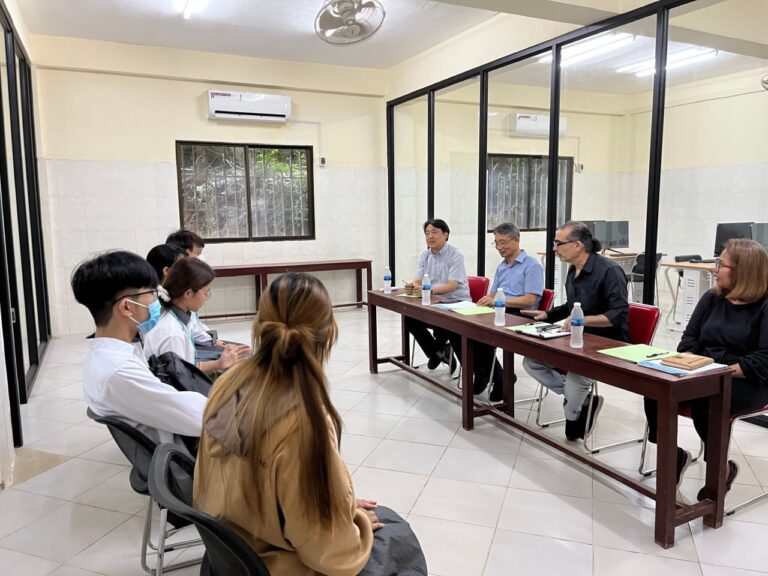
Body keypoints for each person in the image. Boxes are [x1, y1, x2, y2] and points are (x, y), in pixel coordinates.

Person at [194, 273, 427, 576]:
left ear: (259, 324)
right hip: (277, 563)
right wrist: (348, 520)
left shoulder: (226, 385)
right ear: (329, 332)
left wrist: (332, 503)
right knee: (396, 532)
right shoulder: (302, 423)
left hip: (233, 552)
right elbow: (329, 556)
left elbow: (261, 485)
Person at [644, 238, 768, 495]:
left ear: (743, 271)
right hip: (703, 369)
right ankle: (673, 454)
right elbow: (688, 341)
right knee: (655, 387)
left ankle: (720, 469)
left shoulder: (765, 306)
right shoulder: (712, 299)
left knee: (706, 399)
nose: (714, 269)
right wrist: (698, 364)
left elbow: (763, 359)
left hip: (749, 379)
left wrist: (718, 370)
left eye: (721, 265)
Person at [71, 251, 207, 444]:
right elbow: (202, 419)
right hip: (186, 450)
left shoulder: (114, 354)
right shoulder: (119, 372)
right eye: (151, 294)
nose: (156, 302)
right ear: (127, 307)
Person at [522, 221, 629, 441]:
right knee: (531, 361)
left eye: (558, 243)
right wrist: (548, 315)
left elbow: (618, 314)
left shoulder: (609, 270)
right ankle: (584, 399)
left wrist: (582, 320)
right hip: (576, 338)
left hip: (606, 342)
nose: (554, 248)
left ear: (578, 244)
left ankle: (576, 406)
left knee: (572, 429)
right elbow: (572, 307)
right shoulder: (573, 271)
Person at [474, 222, 544, 401]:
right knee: (470, 329)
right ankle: (493, 375)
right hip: (501, 310)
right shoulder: (501, 266)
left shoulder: (532, 265)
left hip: (521, 315)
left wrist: (498, 301)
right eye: (496, 243)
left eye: (503, 242)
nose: (499, 247)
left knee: (484, 334)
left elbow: (530, 299)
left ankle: (496, 377)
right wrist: (484, 303)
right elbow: (492, 294)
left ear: (517, 240)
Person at [142, 257, 249, 374]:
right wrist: (219, 363)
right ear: (188, 293)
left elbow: (187, 365)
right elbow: (182, 377)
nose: (206, 298)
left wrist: (222, 361)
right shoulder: (172, 333)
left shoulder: (175, 316)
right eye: (206, 293)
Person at [404, 219, 470, 371]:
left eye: (434, 232)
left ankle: (438, 351)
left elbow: (452, 285)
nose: (430, 237)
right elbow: (419, 279)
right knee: (410, 317)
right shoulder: (425, 255)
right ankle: (438, 351)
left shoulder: (455, 254)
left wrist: (428, 290)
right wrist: (412, 284)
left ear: (445, 235)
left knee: (441, 321)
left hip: (455, 301)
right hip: (434, 300)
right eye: (427, 233)